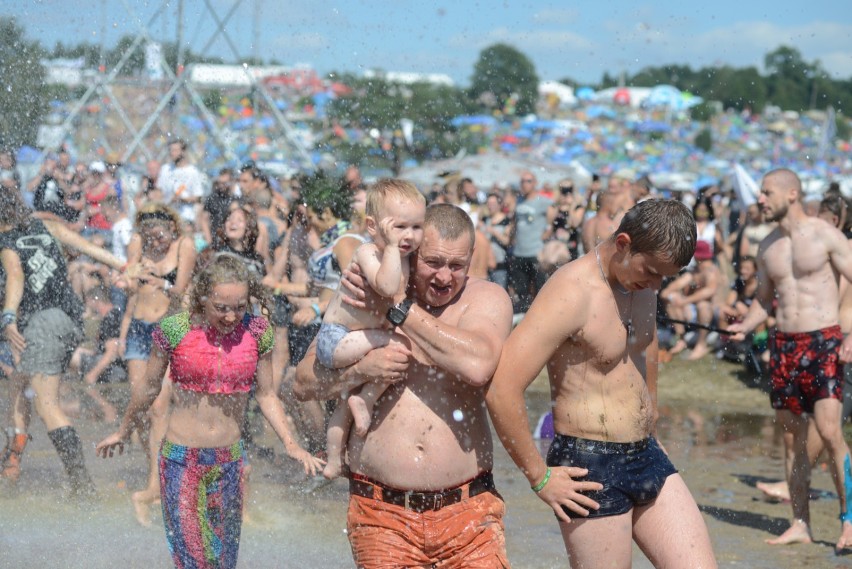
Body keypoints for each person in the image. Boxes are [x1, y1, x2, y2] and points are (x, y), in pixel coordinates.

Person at [487, 199, 717, 569]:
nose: (656, 285)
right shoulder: (571, 291)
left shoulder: (642, 282)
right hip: (588, 464)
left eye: (665, 277)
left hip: (646, 453)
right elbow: (502, 388)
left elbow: (646, 343)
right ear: (623, 243)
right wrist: (539, 477)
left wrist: (651, 415)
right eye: (652, 272)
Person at [295, 203, 513, 568]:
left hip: (469, 513)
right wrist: (361, 369)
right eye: (434, 262)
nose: (444, 277)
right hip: (381, 513)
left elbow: (477, 365)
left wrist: (399, 307)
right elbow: (302, 383)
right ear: (411, 252)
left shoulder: (486, 298)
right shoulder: (364, 292)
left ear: (472, 258)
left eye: (457, 266)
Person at [96, 253, 323, 568]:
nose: (231, 317)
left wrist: (291, 444)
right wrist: (123, 430)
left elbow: (267, 394)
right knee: (193, 562)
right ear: (203, 298)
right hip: (181, 461)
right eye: (222, 308)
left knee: (222, 561)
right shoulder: (175, 329)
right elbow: (148, 387)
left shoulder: (258, 332)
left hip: (230, 461)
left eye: (240, 307)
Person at [728, 168, 852, 550]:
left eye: (766, 193)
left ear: (791, 194)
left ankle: (848, 522)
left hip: (824, 341)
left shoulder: (825, 235)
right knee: (792, 439)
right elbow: (764, 300)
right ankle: (801, 522)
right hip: (784, 345)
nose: (760, 200)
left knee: (830, 431)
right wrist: (745, 327)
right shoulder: (767, 246)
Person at [0, 186, 131, 492]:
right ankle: (13, 456)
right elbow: (88, 247)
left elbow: (16, 277)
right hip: (68, 319)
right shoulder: (44, 225)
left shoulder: (6, 244)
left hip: (42, 324)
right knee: (20, 383)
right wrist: (124, 266)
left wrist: (7, 317)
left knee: (47, 405)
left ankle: (81, 484)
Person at [317, 179, 425, 479]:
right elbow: (388, 286)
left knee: (343, 404)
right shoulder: (369, 253)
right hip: (335, 339)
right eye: (399, 227)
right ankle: (366, 399)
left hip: (357, 340)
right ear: (373, 227)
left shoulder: (401, 255)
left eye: (417, 228)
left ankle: (335, 462)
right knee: (401, 344)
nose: (408, 236)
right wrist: (391, 248)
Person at [120, 202, 197, 525]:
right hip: (138, 330)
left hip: (168, 330)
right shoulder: (139, 244)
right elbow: (130, 290)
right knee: (139, 407)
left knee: (159, 407)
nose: (156, 241)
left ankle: (153, 489)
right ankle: (156, 470)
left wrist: (155, 278)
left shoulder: (185, 245)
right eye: (149, 235)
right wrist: (122, 332)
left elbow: (179, 291)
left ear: (172, 228)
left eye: (160, 234)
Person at [661, 240, 722, 360]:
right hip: (693, 314)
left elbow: (709, 291)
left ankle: (701, 344)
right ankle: (681, 338)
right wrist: (671, 294)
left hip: (712, 316)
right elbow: (673, 287)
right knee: (672, 297)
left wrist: (685, 301)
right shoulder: (696, 271)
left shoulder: (712, 271)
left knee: (702, 305)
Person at [509, 171, 552, 313]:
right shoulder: (519, 200)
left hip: (535, 251)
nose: (524, 184)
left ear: (534, 183)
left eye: (528, 181)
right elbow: (514, 222)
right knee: (521, 291)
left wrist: (548, 230)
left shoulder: (542, 201)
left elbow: (554, 211)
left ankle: (542, 317)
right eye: (522, 181)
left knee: (540, 289)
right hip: (520, 251)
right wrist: (511, 238)